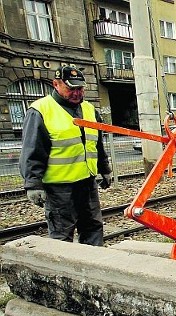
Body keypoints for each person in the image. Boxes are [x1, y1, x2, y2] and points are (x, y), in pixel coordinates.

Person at [19, 65, 112, 246]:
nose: (77, 93)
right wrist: (33, 184)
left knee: (93, 227)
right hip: (58, 187)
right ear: (56, 84)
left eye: (80, 88)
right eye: (71, 88)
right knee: (62, 234)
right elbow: (32, 150)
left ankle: (93, 267)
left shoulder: (89, 110)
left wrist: (104, 168)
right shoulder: (40, 110)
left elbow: (96, 144)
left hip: (87, 182)